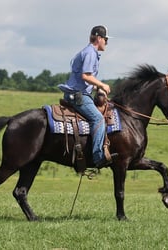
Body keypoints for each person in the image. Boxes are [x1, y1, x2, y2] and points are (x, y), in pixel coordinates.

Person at [58, 25, 117, 168]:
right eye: (106, 40)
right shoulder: (91, 52)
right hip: (78, 95)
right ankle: (98, 157)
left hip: (78, 93)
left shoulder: (89, 52)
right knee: (98, 119)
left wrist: (96, 87)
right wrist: (102, 85)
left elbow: (85, 78)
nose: (106, 43)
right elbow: (86, 76)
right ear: (99, 38)